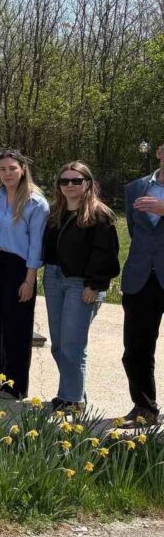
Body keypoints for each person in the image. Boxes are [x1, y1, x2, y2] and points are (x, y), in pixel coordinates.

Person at [42, 161, 119, 413]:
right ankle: (75, 394)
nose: (70, 185)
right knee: (58, 345)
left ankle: (71, 400)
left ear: (88, 183)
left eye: (76, 180)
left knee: (73, 345)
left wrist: (95, 285)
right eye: (65, 181)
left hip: (81, 284)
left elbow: (106, 254)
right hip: (54, 280)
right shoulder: (56, 212)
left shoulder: (99, 215)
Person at [0, 149, 49, 399]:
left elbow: (36, 244)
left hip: (19, 265)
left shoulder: (35, 202)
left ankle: (15, 383)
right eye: (2, 169)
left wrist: (29, 280)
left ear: (22, 169)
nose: (7, 173)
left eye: (12, 168)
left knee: (17, 326)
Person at [120, 141, 164, 426]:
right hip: (141, 277)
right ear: (160, 152)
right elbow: (135, 232)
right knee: (136, 348)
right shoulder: (135, 188)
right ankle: (144, 407)